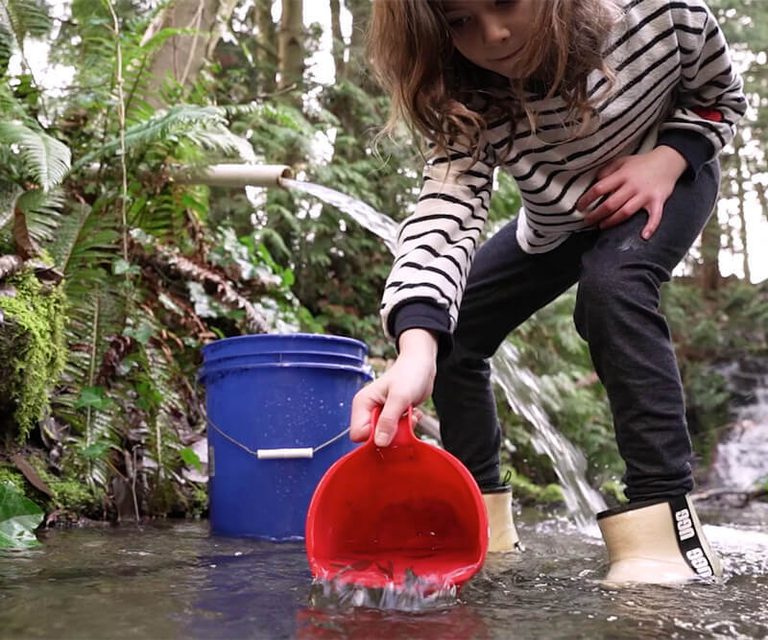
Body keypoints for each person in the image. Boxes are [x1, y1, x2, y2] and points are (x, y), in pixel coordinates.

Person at [349, 0, 746, 584]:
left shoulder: (660, 13)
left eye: (506, 2)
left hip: (667, 180)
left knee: (612, 288)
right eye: (460, 22)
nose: (494, 34)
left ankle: (667, 527)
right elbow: (445, 210)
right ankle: (480, 518)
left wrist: (665, 159)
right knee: (451, 330)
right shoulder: (466, 94)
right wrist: (415, 346)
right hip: (561, 218)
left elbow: (720, 99)